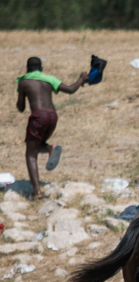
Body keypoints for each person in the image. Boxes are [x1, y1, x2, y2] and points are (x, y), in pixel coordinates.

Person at [16, 57, 87, 200]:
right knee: (36, 144)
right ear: (41, 69)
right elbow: (71, 89)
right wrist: (81, 79)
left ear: (27, 69)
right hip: (52, 117)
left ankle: (36, 192)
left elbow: (21, 107)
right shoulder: (49, 79)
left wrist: (22, 97)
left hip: (38, 116)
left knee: (30, 154)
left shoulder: (24, 81)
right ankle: (49, 148)